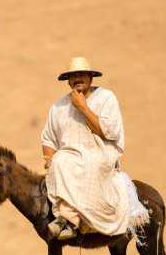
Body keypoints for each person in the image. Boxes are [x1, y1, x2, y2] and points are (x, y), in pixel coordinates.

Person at [41, 56, 130, 240]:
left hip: (99, 153)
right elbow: (48, 138)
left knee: (83, 163)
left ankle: (67, 220)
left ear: (91, 78)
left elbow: (106, 131)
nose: (77, 79)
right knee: (58, 162)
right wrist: (49, 160)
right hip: (69, 156)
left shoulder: (106, 98)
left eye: (82, 74)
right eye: (73, 76)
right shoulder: (58, 106)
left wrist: (82, 106)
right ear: (68, 80)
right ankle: (66, 221)